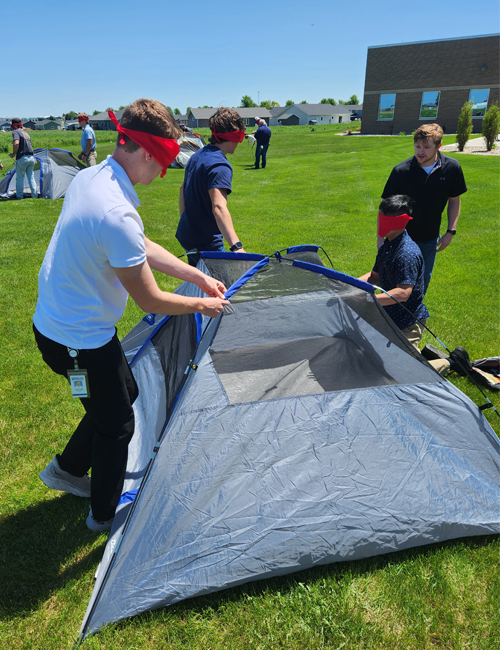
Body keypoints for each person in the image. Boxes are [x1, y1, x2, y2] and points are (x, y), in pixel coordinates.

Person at [34, 99, 229, 533]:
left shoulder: (93, 177)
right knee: (118, 423)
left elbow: (140, 247)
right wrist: (203, 304)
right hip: (76, 339)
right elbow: (152, 301)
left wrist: (195, 277)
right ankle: (103, 516)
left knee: (123, 395)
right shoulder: (115, 211)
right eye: (161, 163)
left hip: (64, 326)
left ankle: (65, 470)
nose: (163, 173)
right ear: (143, 152)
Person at [360, 194, 471, 376]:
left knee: (403, 373)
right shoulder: (388, 245)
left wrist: (368, 299)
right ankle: (421, 354)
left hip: (407, 323)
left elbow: (403, 293)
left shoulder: (407, 253)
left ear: (400, 222)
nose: (380, 224)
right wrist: (349, 284)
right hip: (389, 318)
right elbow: (374, 276)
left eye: (385, 219)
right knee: (372, 357)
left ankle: (453, 362)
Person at [380, 124, 467, 293]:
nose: (420, 151)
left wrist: (451, 231)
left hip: (429, 239)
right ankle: (388, 318)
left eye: (426, 147)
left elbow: (454, 199)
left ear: (438, 146)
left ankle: (415, 317)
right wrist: (380, 237)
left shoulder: (452, 168)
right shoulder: (401, 171)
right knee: (392, 284)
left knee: (421, 282)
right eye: (417, 146)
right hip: (398, 238)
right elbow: (385, 208)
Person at [176, 107, 246, 266]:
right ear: (234, 135)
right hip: (207, 243)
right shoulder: (220, 166)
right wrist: (236, 246)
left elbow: (182, 189)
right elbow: (219, 207)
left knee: (200, 285)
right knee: (220, 288)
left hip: (188, 234)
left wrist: (185, 221)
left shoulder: (198, 155)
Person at [9, 118, 37, 199]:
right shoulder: (26, 133)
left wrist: (14, 153)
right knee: (31, 177)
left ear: (14, 126)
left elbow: (16, 143)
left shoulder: (15, 132)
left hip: (22, 158)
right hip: (31, 157)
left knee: (20, 178)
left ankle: (19, 196)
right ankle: (34, 196)